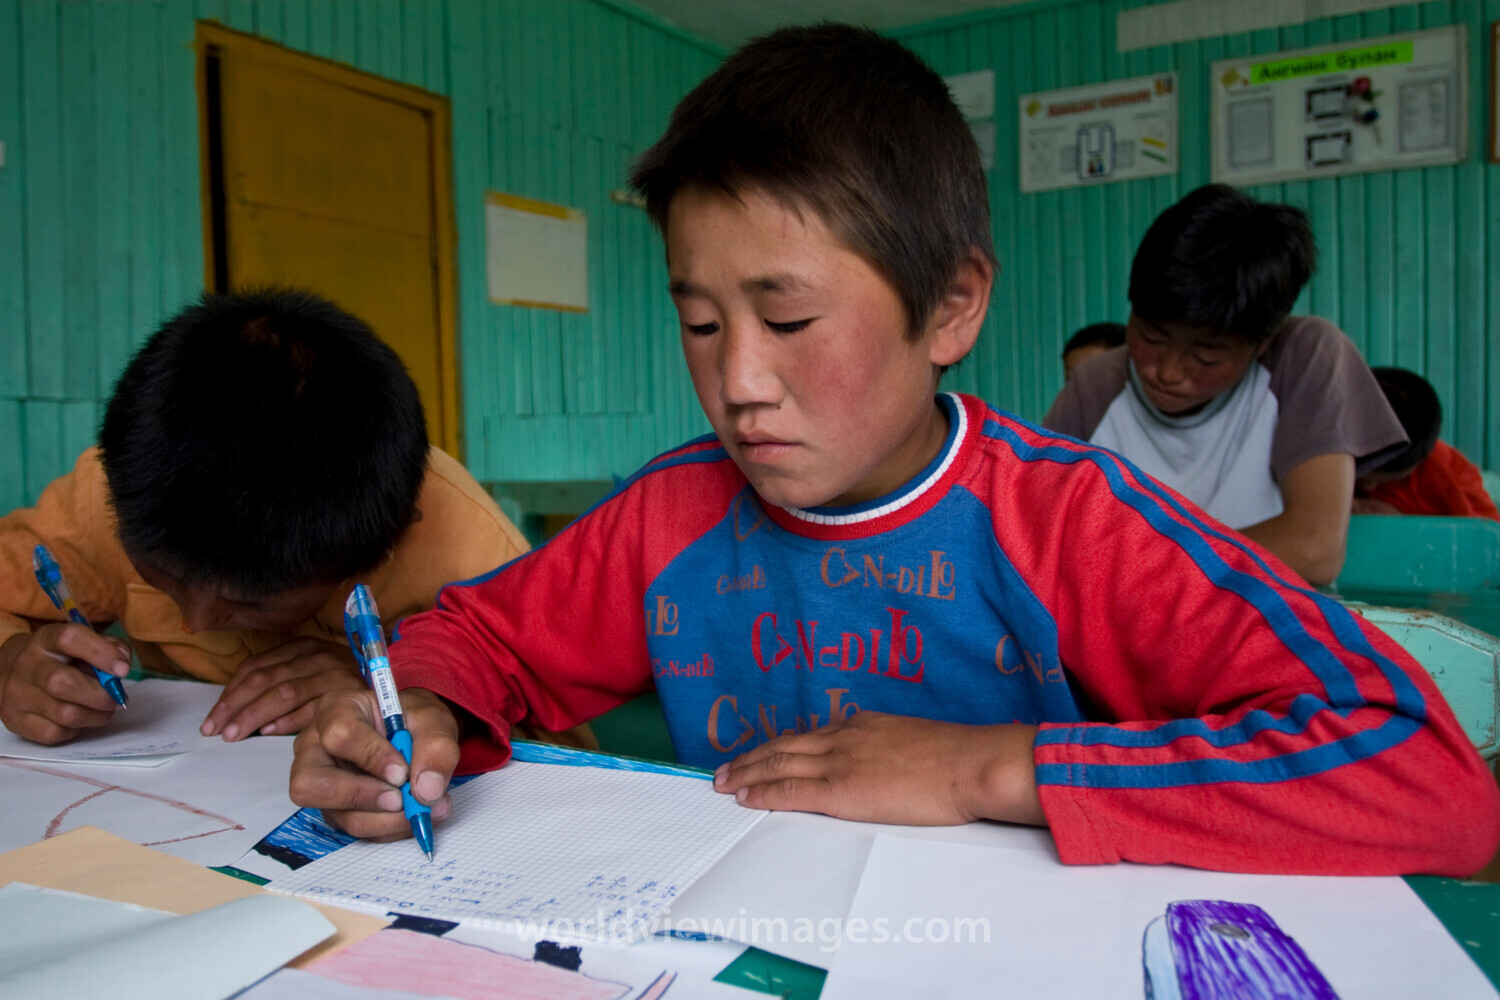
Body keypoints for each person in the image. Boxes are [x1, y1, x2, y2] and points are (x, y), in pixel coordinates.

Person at [289, 26, 1498, 876]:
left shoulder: (1073, 521)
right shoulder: (670, 516)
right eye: (699, 323)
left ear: (954, 307)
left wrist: (992, 769)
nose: (739, 381)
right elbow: (480, 633)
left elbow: (1426, 775)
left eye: (792, 320)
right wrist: (423, 708)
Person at [0, 289, 592, 751]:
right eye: (160, 573)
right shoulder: (126, 487)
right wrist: (13, 663)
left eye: (254, 602)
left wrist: (392, 694)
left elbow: (566, 759)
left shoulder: (475, 554)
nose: (196, 619)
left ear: (382, 544)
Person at [1044, 184, 1406, 586]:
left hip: (1265, 624)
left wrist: (1142, 567)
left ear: (1263, 341)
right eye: (1151, 337)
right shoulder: (1097, 385)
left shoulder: (1305, 356)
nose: (1167, 371)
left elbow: (1314, 548)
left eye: (1206, 357)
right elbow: (1039, 532)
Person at [1353, 367, 1500, 521]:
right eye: (1361, 476)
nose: (1369, 487)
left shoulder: (1449, 479)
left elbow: (1487, 537)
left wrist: (1409, 527)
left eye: (1376, 480)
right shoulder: (1332, 437)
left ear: (1418, 462)